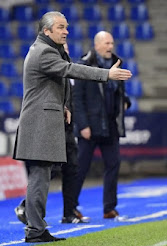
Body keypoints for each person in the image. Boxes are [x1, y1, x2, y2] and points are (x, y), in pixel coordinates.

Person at [12, 12, 132, 243]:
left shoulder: (50, 51)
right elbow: (72, 71)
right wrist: (107, 74)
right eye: (60, 27)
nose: (66, 31)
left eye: (66, 27)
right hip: (39, 124)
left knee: (44, 175)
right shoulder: (43, 52)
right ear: (46, 31)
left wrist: (65, 105)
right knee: (40, 176)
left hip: (45, 122)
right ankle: (35, 229)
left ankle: (35, 226)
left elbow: (60, 80)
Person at [14, 43, 89, 226]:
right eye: (62, 49)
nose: (66, 52)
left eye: (68, 49)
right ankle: (28, 207)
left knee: (72, 169)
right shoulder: (50, 66)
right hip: (50, 128)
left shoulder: (69, 70)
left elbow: (74, 99)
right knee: (50, 170)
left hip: (68, 128)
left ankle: (69, 212)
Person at [72, 31, 131, 219]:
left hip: (110, 124)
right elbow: (77, 98)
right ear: (96, 45)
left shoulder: (117, 63)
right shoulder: (84, 64)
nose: (110, 47)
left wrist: (125, 102)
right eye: (106, 43)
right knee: (80, 167)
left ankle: (109, 208)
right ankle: (70, 207)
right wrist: (82, 125)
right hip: (90, 125)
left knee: (113, 164)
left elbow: (120, 92)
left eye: (112, 43)